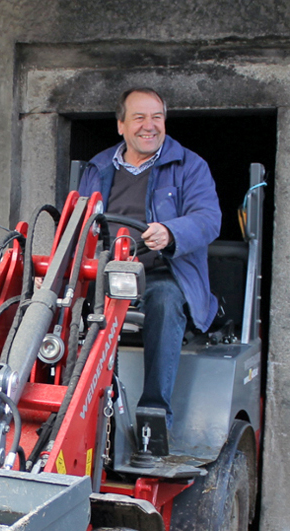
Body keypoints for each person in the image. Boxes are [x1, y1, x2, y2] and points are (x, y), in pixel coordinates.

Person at [76, 88, 221, 443]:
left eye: (156, 117)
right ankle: (80, 406)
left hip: (160, 272)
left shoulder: (190, 166)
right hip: (106, 272)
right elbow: (79, 222)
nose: (149, 126)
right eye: (139, 118)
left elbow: (209, 218)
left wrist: (172, 232)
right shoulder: (97, 167)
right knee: (69, 308)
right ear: (121, 125)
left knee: (166, 302)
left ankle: (153, 415)